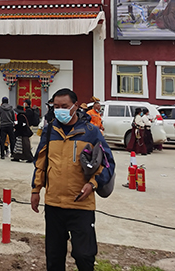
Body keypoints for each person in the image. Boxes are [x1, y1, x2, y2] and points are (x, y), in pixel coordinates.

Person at [31, 88, 115, 271]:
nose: (60, 110)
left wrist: (93, 184)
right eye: (56, 106)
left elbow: (108, 163)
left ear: (75, 106)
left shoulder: (91, 132)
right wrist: (36, 190)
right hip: (54, 204)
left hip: (81, 205)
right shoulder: (49, 131)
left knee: (84, 256)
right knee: (54, 256)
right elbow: (40, 163)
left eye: (64, 106)